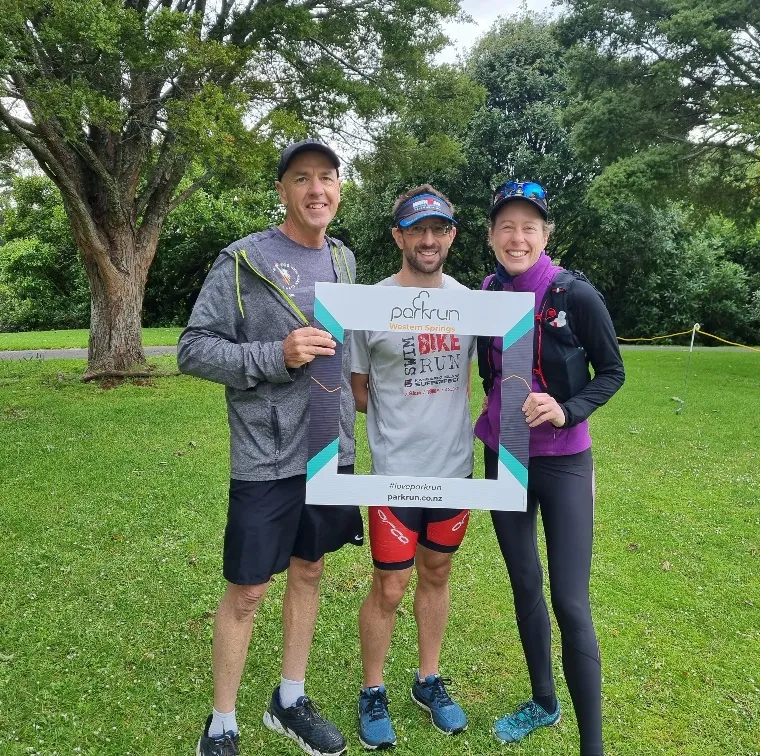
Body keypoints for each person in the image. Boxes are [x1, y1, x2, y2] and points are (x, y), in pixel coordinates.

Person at [178, 139, 363, 756]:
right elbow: (193, 349)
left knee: (310, 570)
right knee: (249, 587)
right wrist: (274, 356)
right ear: (282, 190)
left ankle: (289, 698)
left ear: (339, 189)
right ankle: (222, 722)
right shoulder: (242, 261)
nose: (317, 189)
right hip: (266, 451)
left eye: (327, 178)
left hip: (328, 448)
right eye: (302, 178)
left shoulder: (343, 258)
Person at [474, 181, 625, 756]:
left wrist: (566, 408)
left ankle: (593, 747)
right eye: (506, 227)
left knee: (570, 600)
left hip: (564, 463)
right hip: (504, 455)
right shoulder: (486, 291)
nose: (517, 237)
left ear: (545, 234)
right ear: (491, 236)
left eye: (529, 227)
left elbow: (612, 372)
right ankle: (542, 701)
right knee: (524, 584)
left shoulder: (574, 293)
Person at [351, 185, 473, 750]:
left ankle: (428, 680)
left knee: (437, 573)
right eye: (417, 230)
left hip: (454, 468)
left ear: (450, 235)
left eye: (439, 229)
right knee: (390, 584)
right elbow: (355, 392)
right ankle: (372, 690)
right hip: (394, 472)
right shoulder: (368, 305)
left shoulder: (470, 303)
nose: (429, 240)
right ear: (398, 236)